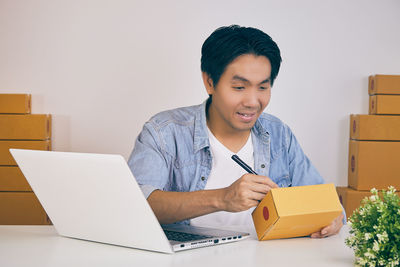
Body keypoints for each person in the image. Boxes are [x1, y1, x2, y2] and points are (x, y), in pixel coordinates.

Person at [128, 25, 344, 238]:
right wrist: (222, 198)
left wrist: (332, 217)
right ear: (209, 82)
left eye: (262, 87)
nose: (252, 102)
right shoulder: (164, 132)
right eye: (239, 88)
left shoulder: (278, 134)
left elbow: (328, 204)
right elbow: (135, 204)